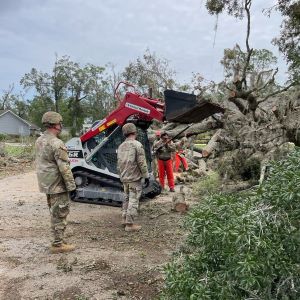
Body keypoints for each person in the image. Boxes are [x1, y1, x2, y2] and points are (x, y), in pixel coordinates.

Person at [35, 111, 76, 254]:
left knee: (54, 212)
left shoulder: (39, 140)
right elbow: (64, 167)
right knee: (60, 213)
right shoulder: (56, 143)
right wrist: (71, 186)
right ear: (55, 125)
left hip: (46, 184)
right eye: (60, 123)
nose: (61, 126)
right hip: (57, 184)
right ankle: (58, 244)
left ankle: (58, 239)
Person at [117, 123, 150, 232]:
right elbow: (141, 162)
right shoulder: (137, 145)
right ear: (135, 132)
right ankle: (129, 224)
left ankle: (124, 218)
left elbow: (118, 164)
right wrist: (146, 176)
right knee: (133, 200)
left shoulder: (121, 146)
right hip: (134, 178)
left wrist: (121, 176)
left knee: (126, 199)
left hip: (124, 178)